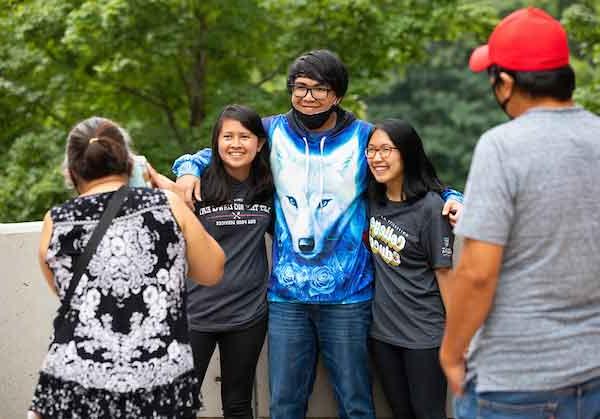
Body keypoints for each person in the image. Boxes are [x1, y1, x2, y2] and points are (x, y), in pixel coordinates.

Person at [173, 50, 463, 419]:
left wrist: (455, 198)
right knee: (285, 405)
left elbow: (414, 173)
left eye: (319, 89)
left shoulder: (363, 139)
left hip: (349, 297)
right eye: (300, 88)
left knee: (356, 403)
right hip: (286, 298)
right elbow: (221, 148)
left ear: (337, 95)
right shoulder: (272, 133)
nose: (308, 97)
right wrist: (186, 170)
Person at [439, 7, 600, 418]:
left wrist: (453, 353)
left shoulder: (502, 146)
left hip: (516, 382)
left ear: (505, 82)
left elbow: (477, 274)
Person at [29, 116, 225, 419]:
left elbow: (65, 293)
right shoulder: (166, 206)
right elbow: (212, 271)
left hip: (80, 384)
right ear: (131, 165)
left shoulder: (56, 221)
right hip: (161, 384)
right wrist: (165, 190)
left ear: (70, 172)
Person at [186, 104, 273, 419]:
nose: (236, 144)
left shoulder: (268, 188)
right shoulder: (198, 184)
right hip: (195, 314)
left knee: (237, 405)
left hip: (248, 314)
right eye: (228, 136)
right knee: (179, 403)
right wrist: (186, 168)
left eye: (245, 136)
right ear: (216, 142)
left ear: (259, 143)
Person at [367, 120, 453, 419]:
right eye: (371, 150)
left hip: (424, 337)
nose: (377, 157)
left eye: (386, 150)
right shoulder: (372, 201)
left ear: (407, 153)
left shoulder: (430, 208)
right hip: (382, 335)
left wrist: (458, 338)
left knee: (428, 413)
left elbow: (445, 275)